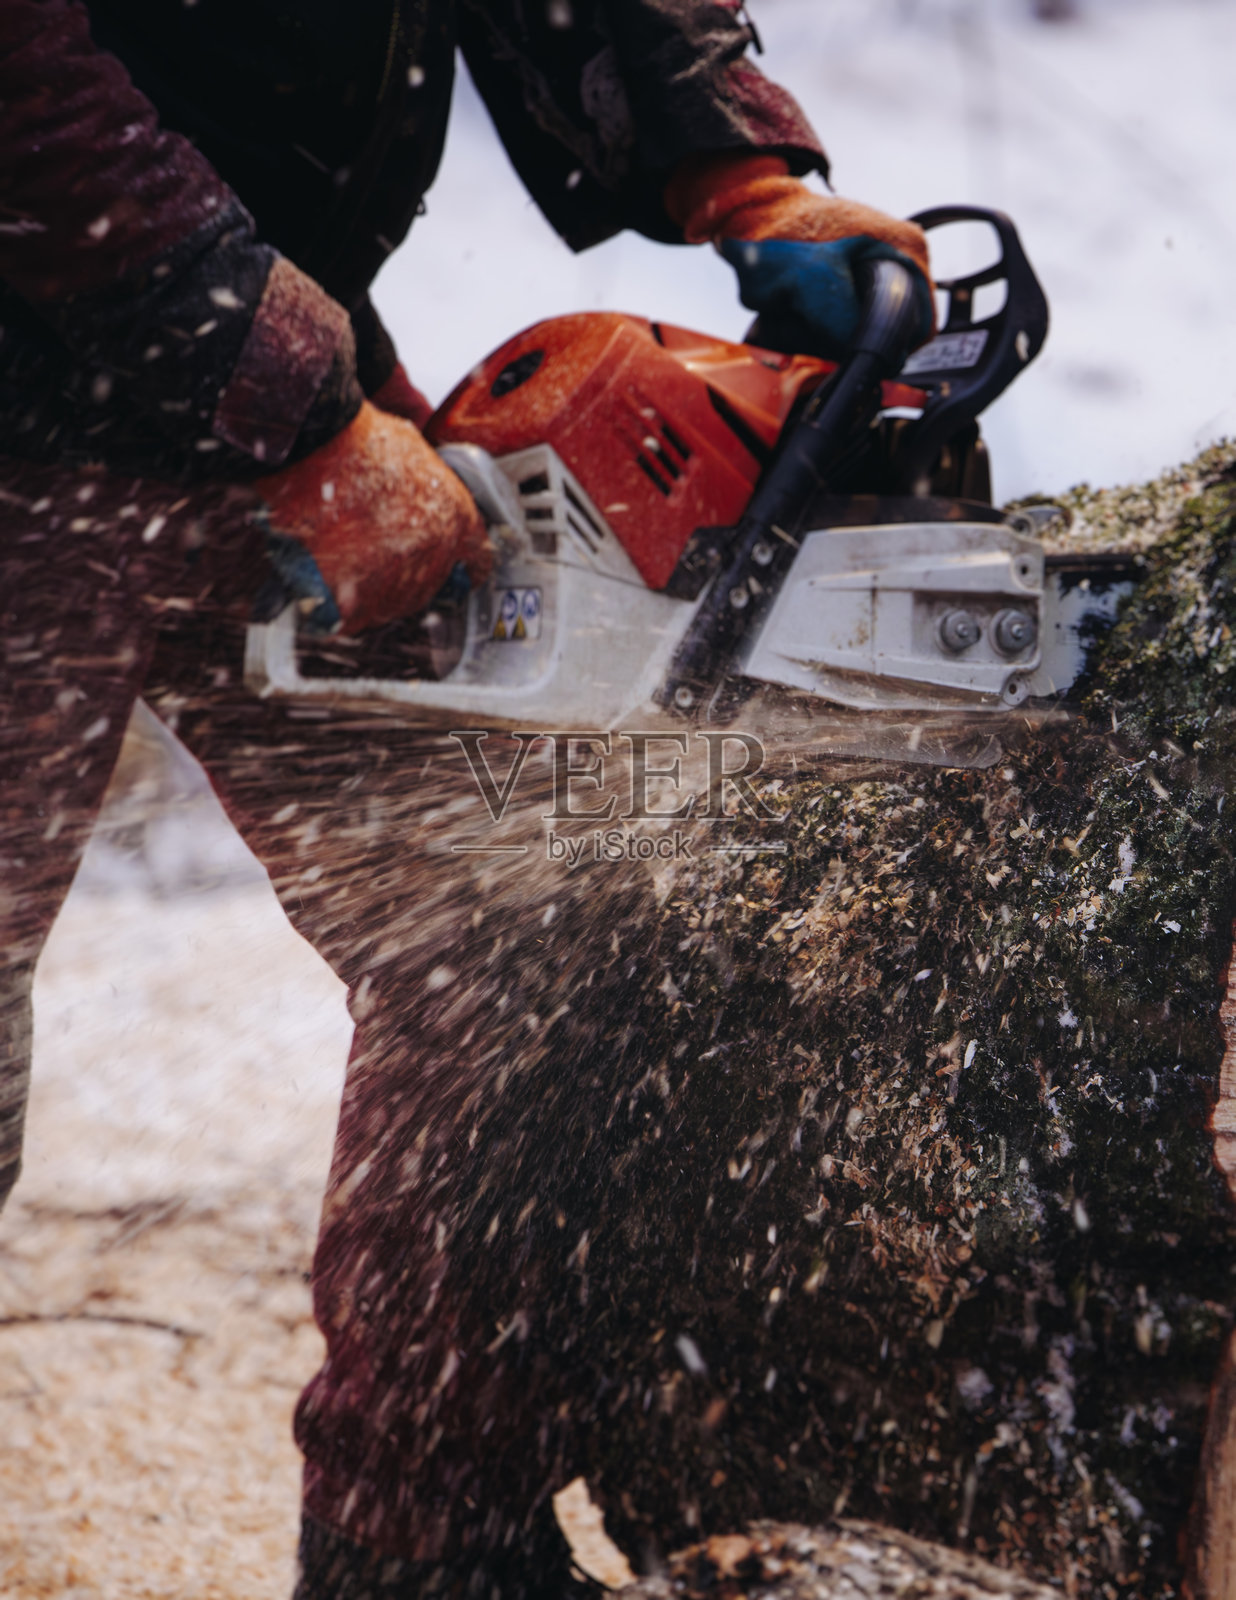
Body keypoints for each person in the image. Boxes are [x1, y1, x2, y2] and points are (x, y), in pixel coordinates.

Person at [0, 2, 933, 1592]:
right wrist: (289, 394)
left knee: (521, 924)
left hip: (267, 347)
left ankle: (418, 1538)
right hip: (79, 356)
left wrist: (741, 161)